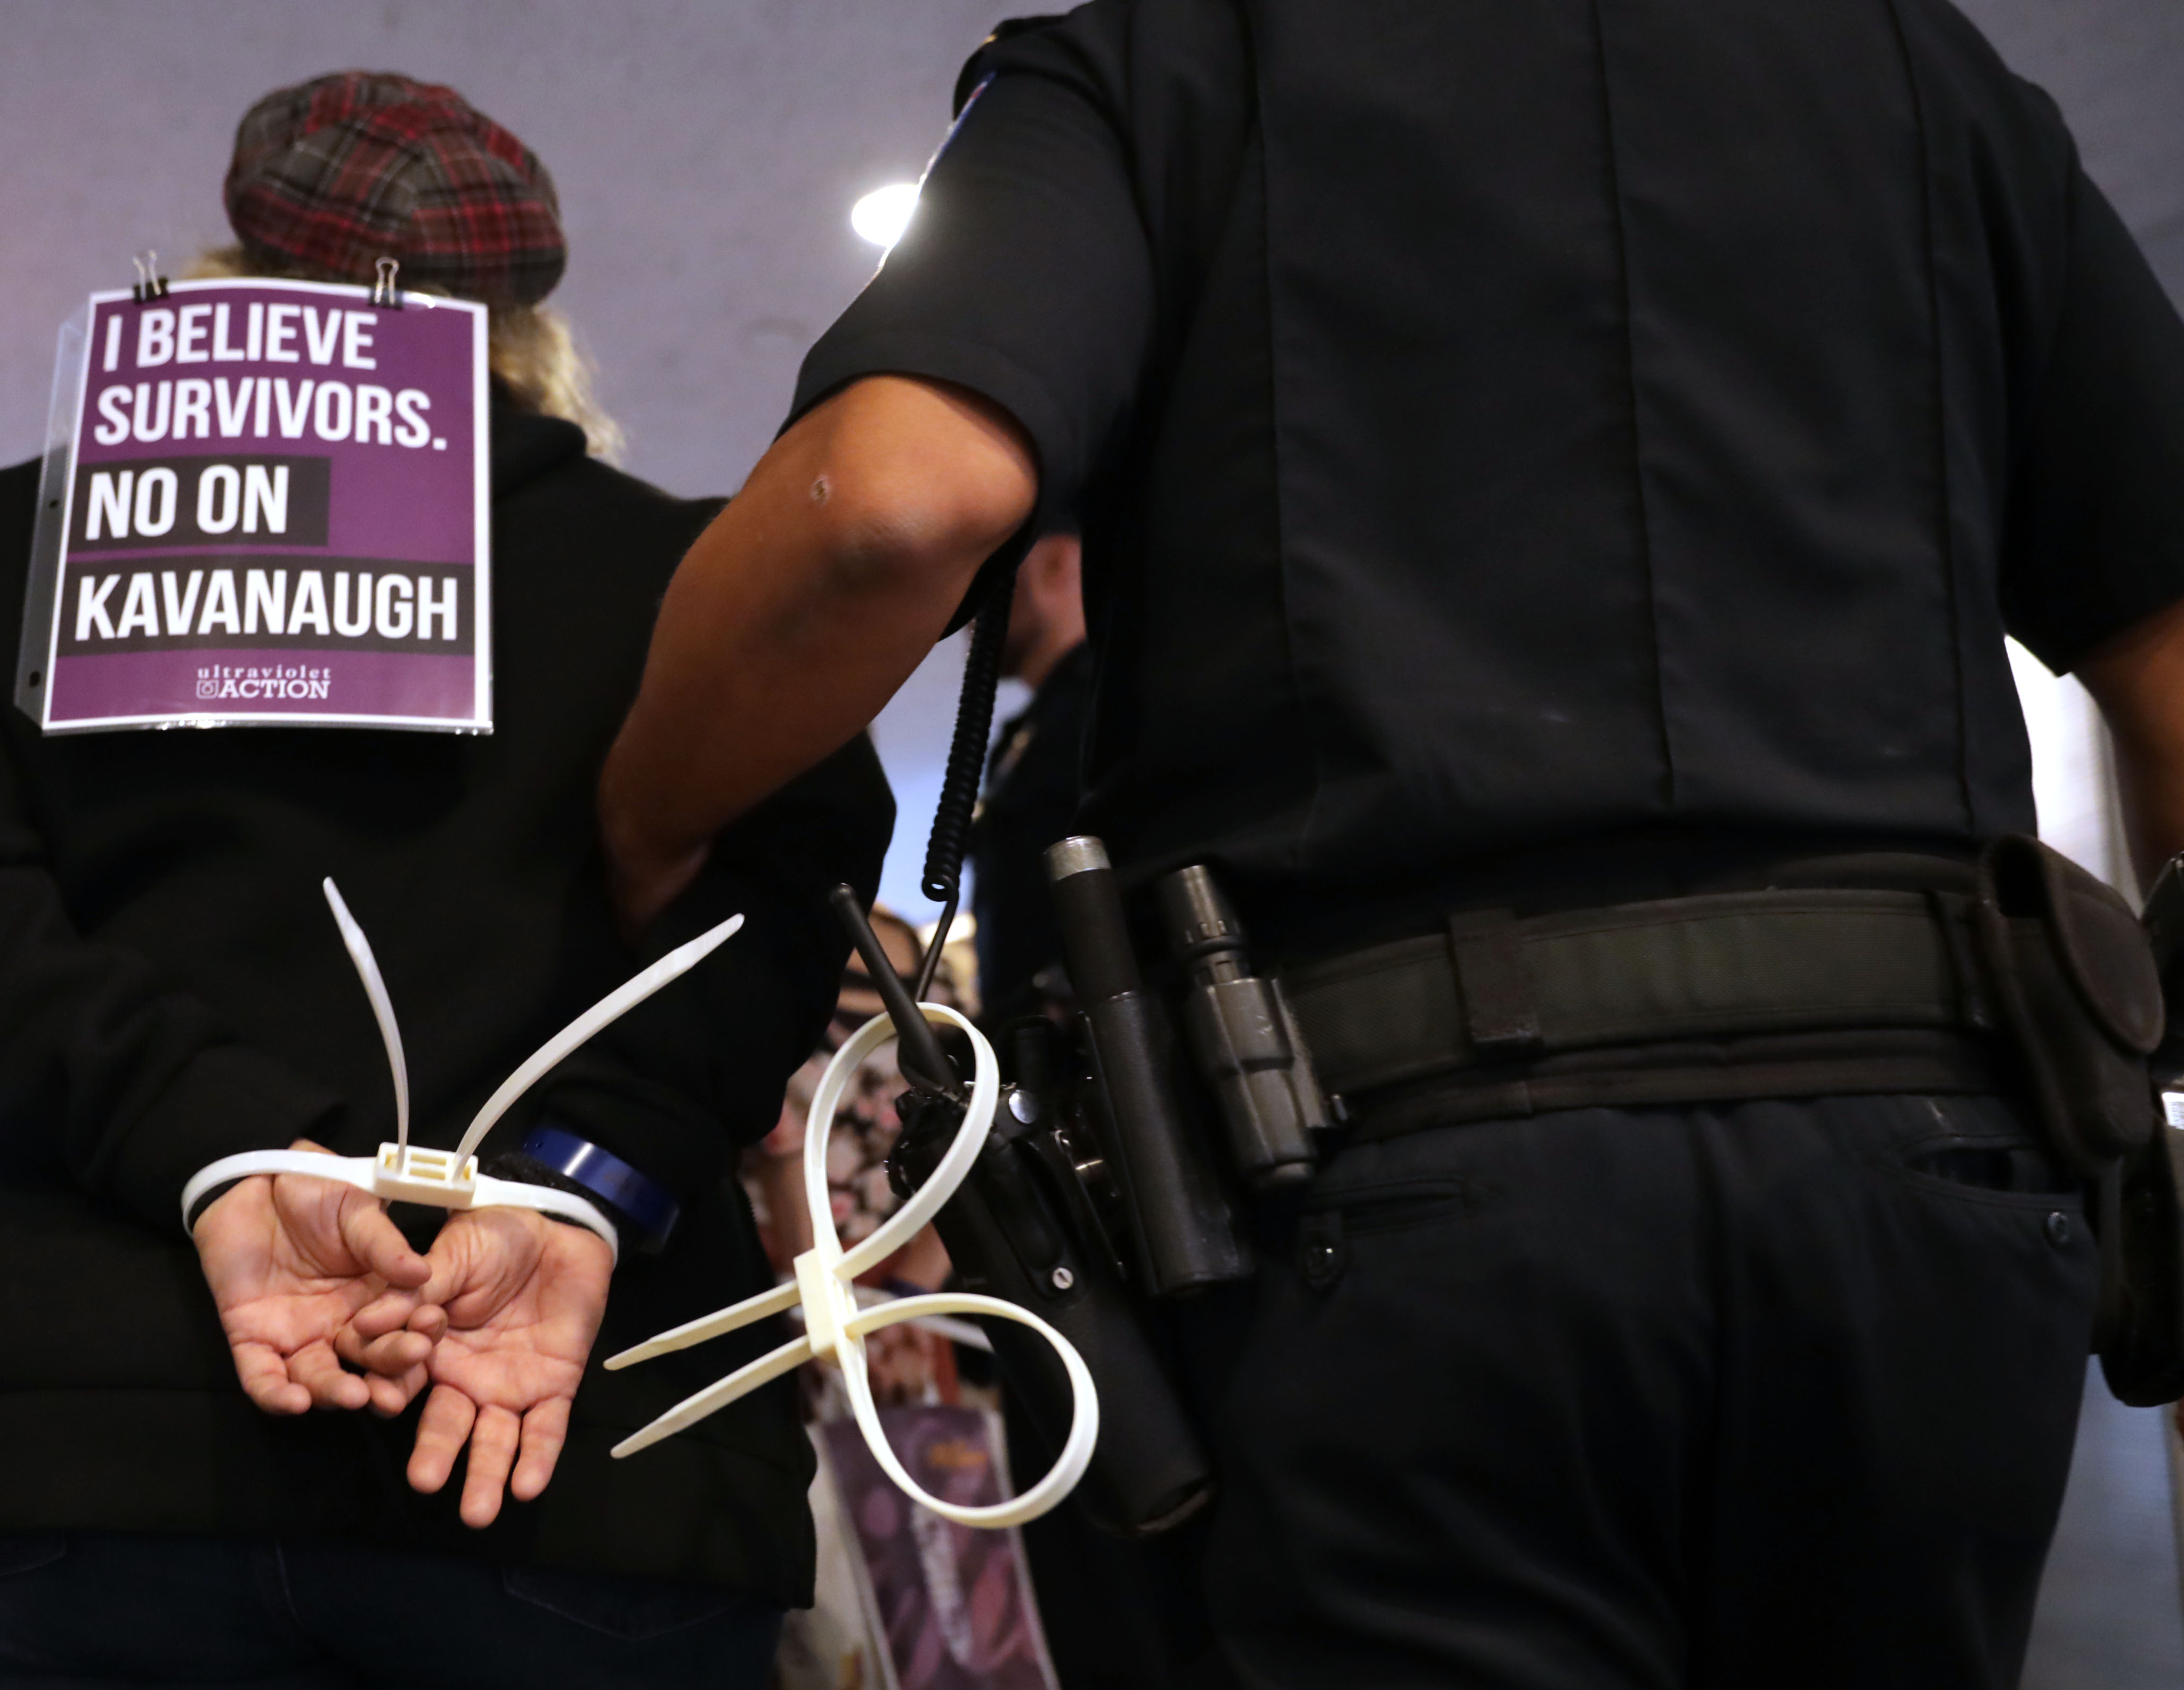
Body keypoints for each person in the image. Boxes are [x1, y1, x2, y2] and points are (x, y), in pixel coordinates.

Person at [594, 4, 2184, 1686]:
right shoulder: (1918, 68)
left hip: (1403, 1193)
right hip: (1933, 1197)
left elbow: (892, 507)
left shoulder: (1170, 61)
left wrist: (634, 819)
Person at [0, 73, 890, 1688]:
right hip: (571, 1457)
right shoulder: (686, 585)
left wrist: (215, 1141)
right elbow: (786, 909)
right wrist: (588, 1174)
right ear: (520, 327)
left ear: (226, 276)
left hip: (76, 1461)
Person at [968, 529, 1090, 1024]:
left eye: (987, 576)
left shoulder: (1103, 705)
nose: (967, 613)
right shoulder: (1028, 734)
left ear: (1056, 562)